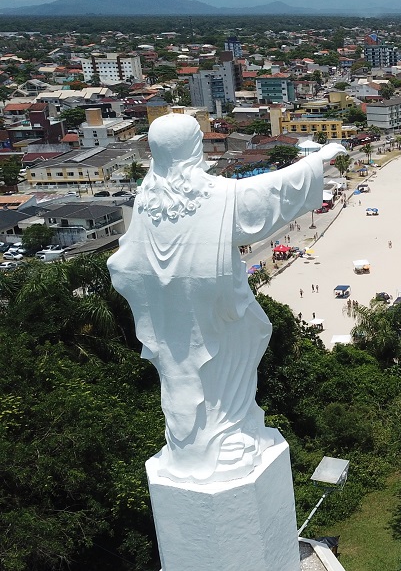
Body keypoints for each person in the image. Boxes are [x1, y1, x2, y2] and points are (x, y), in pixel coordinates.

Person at [108, 113, 346, 484]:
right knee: (236, 350)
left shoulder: (147, 200)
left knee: (186, 371)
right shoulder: (213, 196)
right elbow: (270, 194)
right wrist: (316, 162)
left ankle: (202, 438)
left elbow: (128, 262)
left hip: (171, 315)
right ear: (193, 148)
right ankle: (227, 434)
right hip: (218, 312)